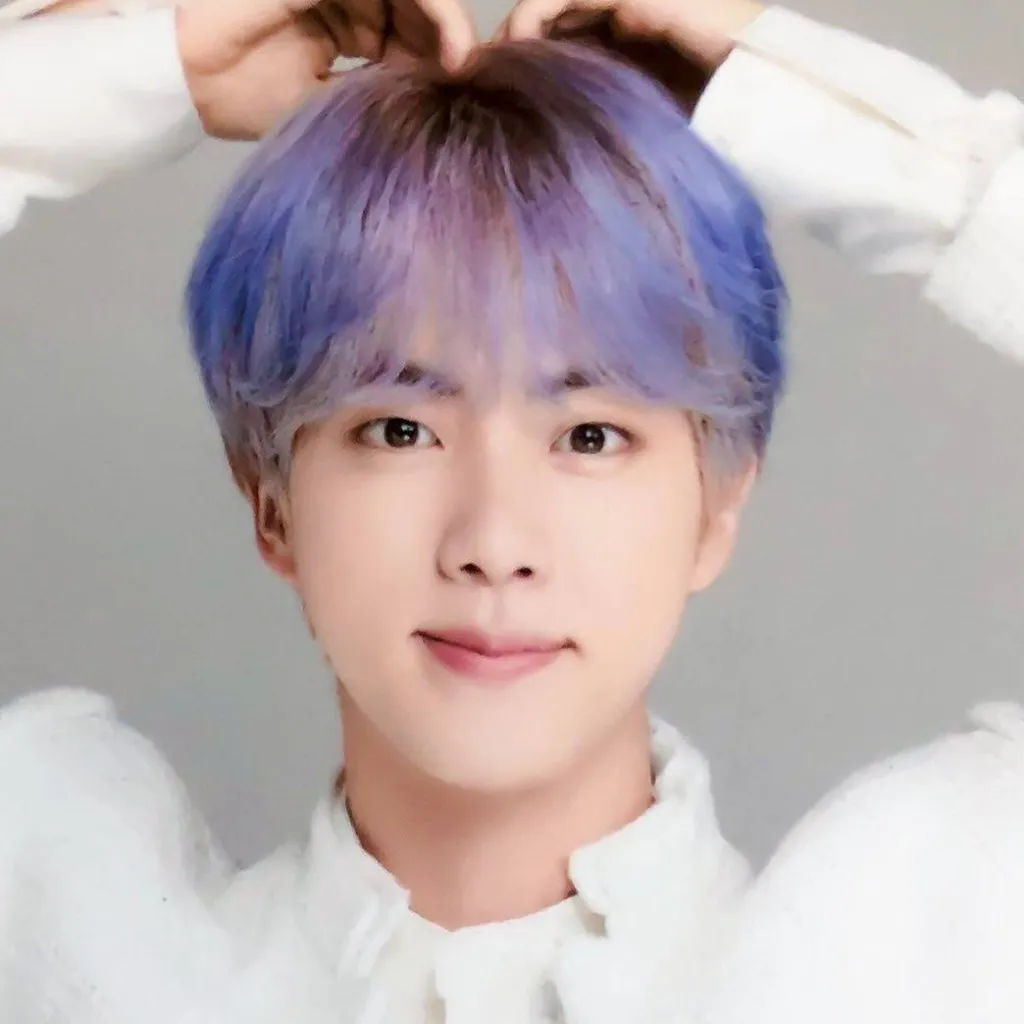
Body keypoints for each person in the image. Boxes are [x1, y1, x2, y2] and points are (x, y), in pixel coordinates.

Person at [0, 4, 1022, 1024]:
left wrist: (838, 129)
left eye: (590, 436)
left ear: (717, 503)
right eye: (399, 428)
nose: (493, 544)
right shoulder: (72, 939)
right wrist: (133, 67)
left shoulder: (926, 957)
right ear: (270, 499)